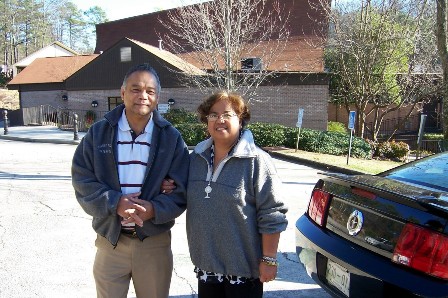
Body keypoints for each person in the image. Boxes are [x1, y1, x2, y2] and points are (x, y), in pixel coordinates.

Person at [71, 63, 189, 298]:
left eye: (150, 91)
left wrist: (154, 208)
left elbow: (183, 189)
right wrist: (116, 203)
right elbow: (82, 179)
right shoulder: (99, 133)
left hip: (153, 242)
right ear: (122, 92)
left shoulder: (171, 138)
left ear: (157, 97)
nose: (143, 96)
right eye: (136, 89)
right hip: (110, 242)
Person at [165, 91, 288, 297]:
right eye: (213, 115)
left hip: (243, 271)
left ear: (240, 119)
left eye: (227, 114)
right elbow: (183, 192)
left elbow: (272, 213)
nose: (219, 120)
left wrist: (269, 259)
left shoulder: (257, 161)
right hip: (207, 267)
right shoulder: (195, 158)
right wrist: (169, 185)